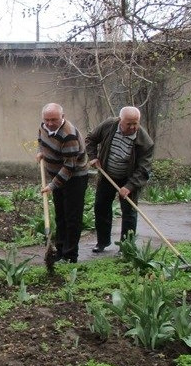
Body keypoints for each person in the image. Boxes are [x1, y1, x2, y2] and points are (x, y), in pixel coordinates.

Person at [85, 106, 154, 253]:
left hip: (130, 178)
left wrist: (129, 186)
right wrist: (93, 157)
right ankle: (102, 242)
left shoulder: (145, 141)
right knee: (101, 207)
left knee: (129, 212)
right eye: (129, 123)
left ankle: (126, 247)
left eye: (136, 123)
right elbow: (90, 138)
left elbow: (144, 169)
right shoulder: (109, 125)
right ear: (120, 120)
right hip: (107, 175)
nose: (133, 127)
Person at [36, 103, 89, 263]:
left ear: (63, 117)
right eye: (47, 120)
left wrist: (52, 186)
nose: (50, 123)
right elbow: (40, 140)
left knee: (72, 216)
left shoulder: (69, 136)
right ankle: (59, 250)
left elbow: (69, 167)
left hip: (75, 178)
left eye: (54, 119)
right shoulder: (43, 126)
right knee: (60, 215)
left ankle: (71, 255)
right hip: (56, 176)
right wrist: (40, 152)